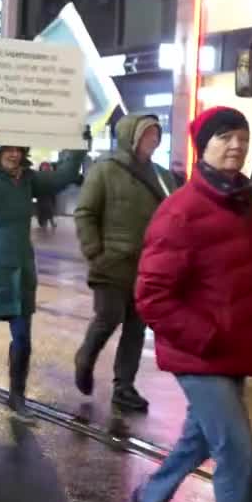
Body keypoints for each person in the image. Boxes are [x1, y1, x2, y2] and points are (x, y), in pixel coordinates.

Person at [130, 106, 252, 502]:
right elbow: (151, 296)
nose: (235, 146)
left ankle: (149, 498)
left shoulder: (246, 206)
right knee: (237, 452)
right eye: (223, 138)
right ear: (202, 147)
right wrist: (208, 336)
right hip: (200, 352)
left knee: (199, 440)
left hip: (234, 349)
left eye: (242, 137)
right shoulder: (181, 211)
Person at [0, 117, 84, 420]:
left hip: (20, 268)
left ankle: (17, 397)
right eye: (6, 148)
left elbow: (63, 176)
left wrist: (78, 146)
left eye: (18, 148)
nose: (13, 153)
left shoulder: (29, 179)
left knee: (23, 336)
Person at [73, 114, 180, 413]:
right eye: (147, 135)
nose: (153, 141)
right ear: (130, 137)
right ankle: (85, 357)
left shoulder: (161, 175)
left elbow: (174, 215)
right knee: (109, 317)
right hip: (111, 263)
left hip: (148, 266)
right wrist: (95, 252)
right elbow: (85, 212)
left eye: (157, 136)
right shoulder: (105, 170)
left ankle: (124, 387)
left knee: (136, 327)